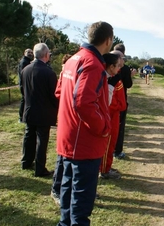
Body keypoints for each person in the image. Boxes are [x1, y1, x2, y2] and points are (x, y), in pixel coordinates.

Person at [55, 21, 113, 226]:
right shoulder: (93, 64)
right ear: (108, 41)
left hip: (69, 138)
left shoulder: (72, 60)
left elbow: (60, 92)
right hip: (85, 143)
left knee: (67, 192)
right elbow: (82, 102)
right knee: (81, 202)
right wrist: (104, 127)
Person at [20, 43, 58, 177]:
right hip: (44, 112)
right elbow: (54, 95)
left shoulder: (25, 70)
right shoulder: (49, 73)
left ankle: (26, 161)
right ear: (46, 55)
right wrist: (56, 108)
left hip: (29, 109)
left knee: (29, 136)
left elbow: (22, 91)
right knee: (42, 140)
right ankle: (40, 168)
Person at [99, 51, 127, 179]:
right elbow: (115, 103)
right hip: (110, 116)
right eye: (118, 64)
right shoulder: (111, 81)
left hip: (111, 115)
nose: (119, 66)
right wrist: (119, 106)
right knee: (108, 144)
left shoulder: (109, 78)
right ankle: (104, 169)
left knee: (110, 143)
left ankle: (106, 166)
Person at [51, 54, 73, 206]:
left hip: (72, 120)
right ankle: (56, 189)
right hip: (65, 118)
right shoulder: (64, 75)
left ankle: (70, 189)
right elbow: (58, 92)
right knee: (62, 157)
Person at [111, 43, 136, 159]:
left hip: (108, 102)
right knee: (119, 128)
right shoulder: (124, 69)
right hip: (120, 101)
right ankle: (117, 151)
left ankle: (109, 151)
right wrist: (130, 75)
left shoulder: (106, 65)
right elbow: (128, 84)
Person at [18, 48, 34, 122]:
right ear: (24, 53)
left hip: (24, 83)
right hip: (24, 84)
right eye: (28, 52)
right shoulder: (24, 62)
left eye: (31, 52)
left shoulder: (27, 61)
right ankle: (21, 117)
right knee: (24, 100)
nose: (30, 53)